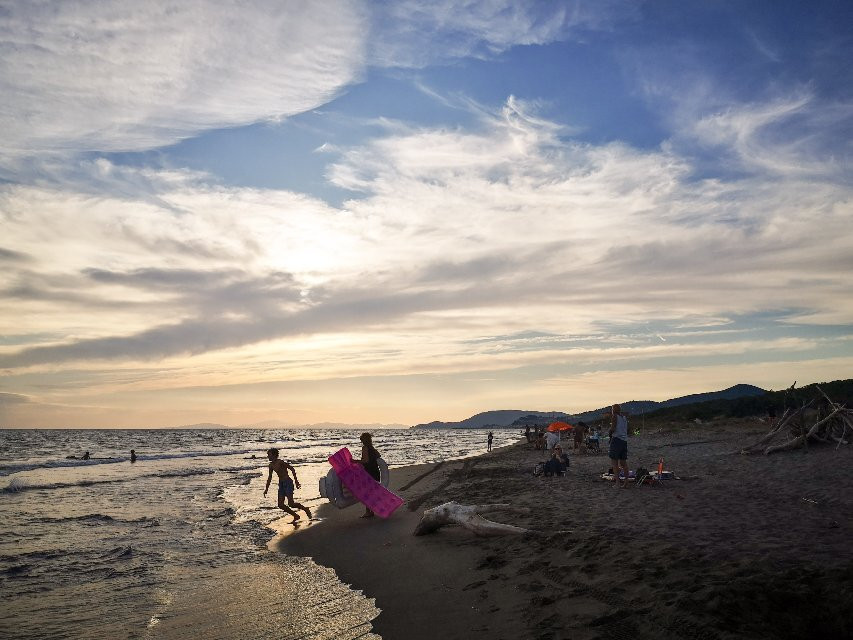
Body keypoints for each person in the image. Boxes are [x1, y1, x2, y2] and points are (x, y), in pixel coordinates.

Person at [264, 448, 311, 522]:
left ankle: (305, 509)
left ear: (274, 455)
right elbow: (269, 477)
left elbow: (291, 468)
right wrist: (266, 489)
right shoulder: (271, 465)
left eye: (269, 455)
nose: (268, 457)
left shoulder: (280, 462)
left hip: (288, 482)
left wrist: (296, 481)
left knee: (291, 504)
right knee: (280, 505)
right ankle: (295, 515)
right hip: (281, 484)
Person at [357, 433, 381, 519]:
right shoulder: (372, 448)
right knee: (372, 492)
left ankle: (368, 512)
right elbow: (379, 455)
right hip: (375, 471)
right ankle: (371, 511)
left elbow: (365, 461)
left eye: (361, 439)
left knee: (366, 492)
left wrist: (354, 461)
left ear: (363, 440)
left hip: (369, 472)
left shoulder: (365, 448)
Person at [609, 404, 629, 488]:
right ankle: (626, 482)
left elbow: (613, 428)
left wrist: (609, 433)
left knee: (614, 463)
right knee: (623, 463)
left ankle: (617, 483)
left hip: (617, 440)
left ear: (613, 410)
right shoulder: (624, 418)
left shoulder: (614, 416)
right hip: (624, 441)